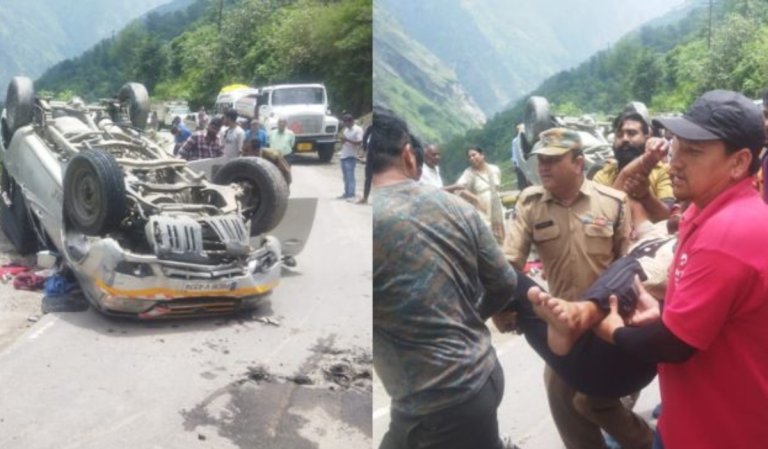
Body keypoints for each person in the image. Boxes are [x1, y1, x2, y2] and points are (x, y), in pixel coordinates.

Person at [533, 90, 768, 449]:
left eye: (694, 151)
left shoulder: (727, 233)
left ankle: (586, 313)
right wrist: (662, 314)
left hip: (720, 432)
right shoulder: (703, 213)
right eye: (677, 146)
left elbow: (676, 345)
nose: (675, 162)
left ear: (738, 163)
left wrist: (614, 331)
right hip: (689, 415)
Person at [372, 109, 517, 449]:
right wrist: (466, 318)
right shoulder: (456, 207)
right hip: (483, 375)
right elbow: (505, 281)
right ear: (409, 155)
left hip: (437, 405)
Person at [503, 127, 653, 449]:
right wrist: (505, 307)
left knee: (594, 401)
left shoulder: (612, 202)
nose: (543, 167)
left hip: (603, 318)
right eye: (540, 159)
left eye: (553, 160)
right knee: (560, 394)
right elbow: (509, 265)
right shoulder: (531, 205)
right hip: (561, 322)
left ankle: (645, 441)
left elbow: (629, 265)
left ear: (578, 163)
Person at [593, 112, 674, 224]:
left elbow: (667, 216)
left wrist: (646, 196)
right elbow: (601, 216)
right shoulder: (603, 174)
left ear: (647, 138)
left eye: (632, 133)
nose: (625, 139)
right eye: (620, 135)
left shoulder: (660, 171)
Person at [445, 147, 505, 243]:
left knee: (502, 233)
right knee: (487, 236)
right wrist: (475, 198)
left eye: (474, 155)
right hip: (481, 210)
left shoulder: (495, 169)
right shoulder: (468, 173)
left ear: (482, 155)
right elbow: (460, 189)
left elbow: (497, 187)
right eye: (469, 157)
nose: (472, 158)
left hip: (497, 207)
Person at [338, 114, 363, 200]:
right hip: (344, 155)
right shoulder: (346, 130)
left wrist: (347, 140)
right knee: (345, 177)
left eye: (346, 122)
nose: (345, 124)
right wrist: (343, 141)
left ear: (351, 121)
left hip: (351, 156)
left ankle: (351, 194)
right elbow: (345, 142)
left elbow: (359, 142)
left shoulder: (358, 130)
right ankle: (346, 193)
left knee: (350, 176)